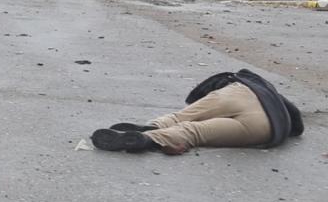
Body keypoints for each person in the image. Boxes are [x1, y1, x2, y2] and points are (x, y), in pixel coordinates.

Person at [91, 69, 304, 154]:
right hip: (267, 127)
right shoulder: (271, 96)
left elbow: (196, 102)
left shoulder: (238, 85)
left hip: (238, 94)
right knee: (194, 131)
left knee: (182, 117)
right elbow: (297, 123)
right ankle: (149, 138)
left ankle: (157, 125)